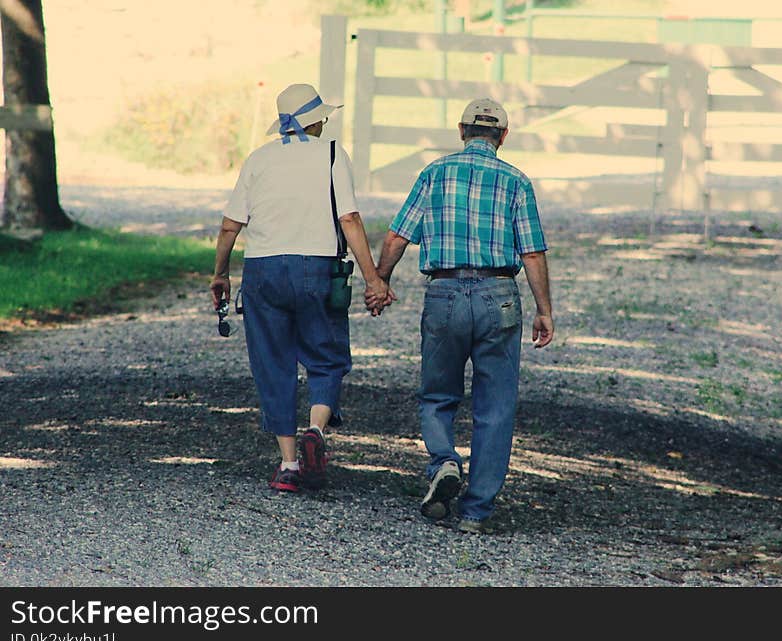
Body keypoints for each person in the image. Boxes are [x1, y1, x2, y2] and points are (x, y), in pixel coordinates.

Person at [370, 98, 553, 533]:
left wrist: (379, 281)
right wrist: (544, 310)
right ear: (503, 137)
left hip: (445, 293)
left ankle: (444, 461)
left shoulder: (434, 174)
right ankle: (475, 512)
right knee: (496, 406)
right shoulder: (516, 181)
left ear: (461, 131)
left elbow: (398, 236)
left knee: (437, 394)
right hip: (498, 296)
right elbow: (532, 251)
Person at [211, 83, 389, 493]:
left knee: (273, 364)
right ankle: (317, 429)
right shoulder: (330, 154)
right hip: (317, 267)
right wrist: (372, 279)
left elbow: (229, 225)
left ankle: (289, 464)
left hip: (263, 271)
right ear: (316, 120)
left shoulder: (258, 159)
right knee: (325, 356)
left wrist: (220, 273)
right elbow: (349, 219)